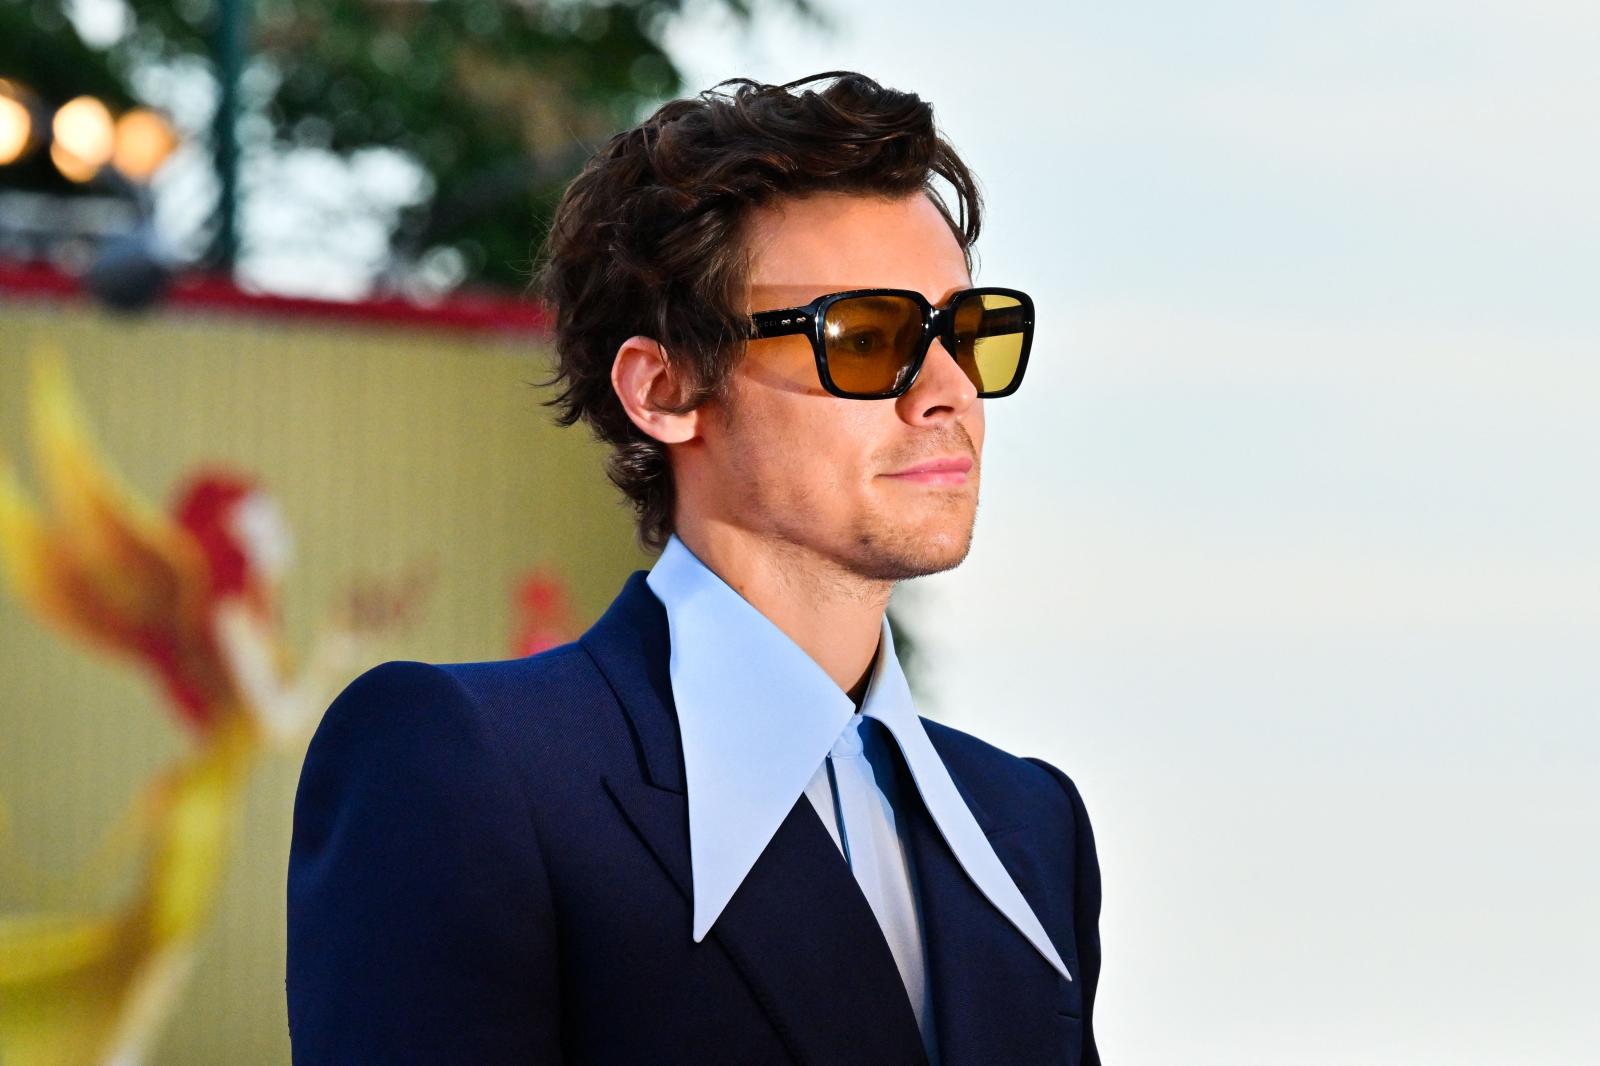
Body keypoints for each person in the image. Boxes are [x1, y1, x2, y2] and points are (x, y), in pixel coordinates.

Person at [285, 70, 1102, 1065]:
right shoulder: (469, 769)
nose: (947, 392)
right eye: (865, 337)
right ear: (664, 389)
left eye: (967, 335)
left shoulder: (1027, 827)